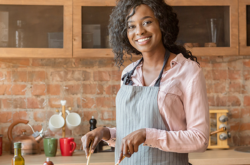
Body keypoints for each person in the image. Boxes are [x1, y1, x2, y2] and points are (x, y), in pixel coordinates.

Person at [81, 0, 209, 164]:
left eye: (147, 22)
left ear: (162, 24)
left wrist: (146, 135)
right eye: (131, 26)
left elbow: (200, 139)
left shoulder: (187, 71)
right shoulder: (128, 73)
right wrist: (105, 133)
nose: (139, 31)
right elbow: (132, 133)